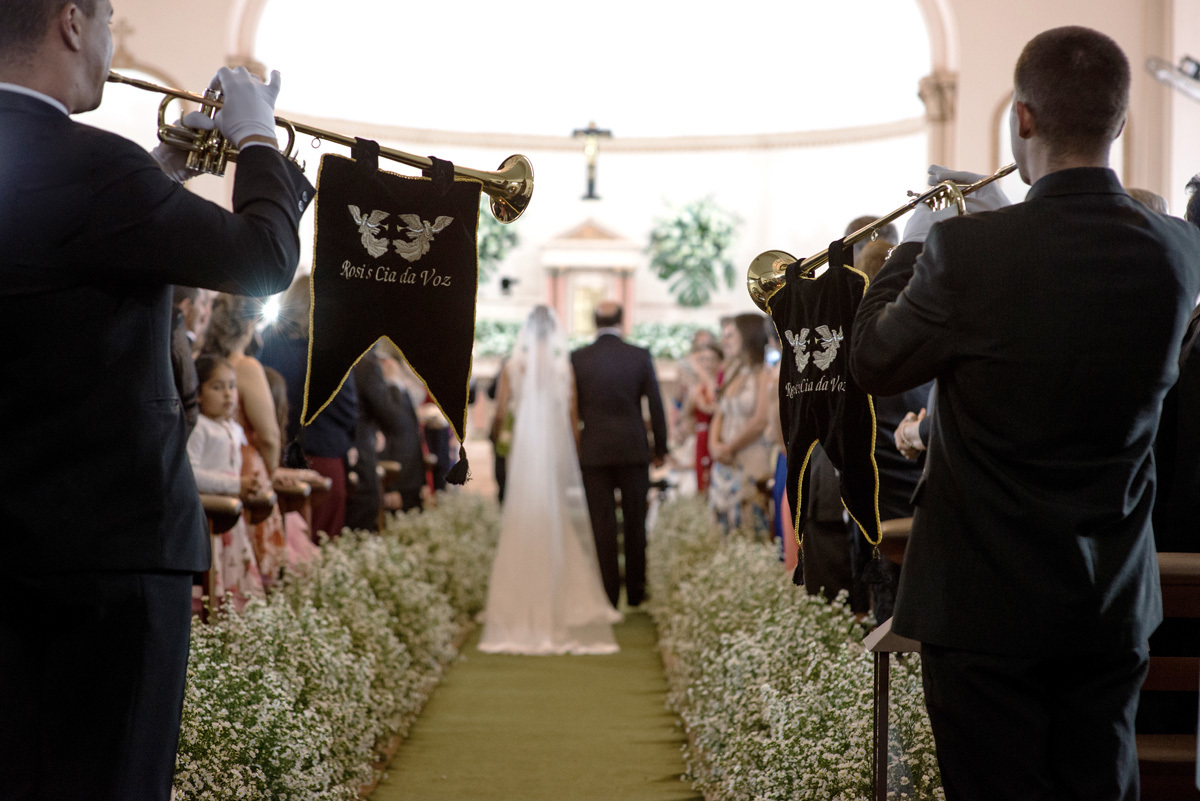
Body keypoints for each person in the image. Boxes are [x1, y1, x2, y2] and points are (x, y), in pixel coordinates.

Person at [851, 27, 1200, 801]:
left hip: (982, 611)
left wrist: (916, 237)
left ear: (1023, 118)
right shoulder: (1178, 250)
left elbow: (872, 360)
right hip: (1108, 604)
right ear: (1119, 120)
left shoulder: (965, 252)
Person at [0, 0, 313, 795]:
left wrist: (159, 174)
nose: (111, 42)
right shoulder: (101, 170)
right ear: (72, 22)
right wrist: (257, 140)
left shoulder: (96, 175)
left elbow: (55, 252)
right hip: (109, 548)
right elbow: (264, 259)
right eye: (108, 19)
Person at [479, 306, 621, 654]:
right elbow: (572, 414)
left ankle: (521, 598)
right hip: (553, 447)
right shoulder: (562, 365)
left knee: (521, 514)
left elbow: (501, 411)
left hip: (524, 448)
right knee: (554, 516)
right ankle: (560, 595)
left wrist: (497, 440)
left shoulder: (513, 365)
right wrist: (574, 449)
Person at [571, 301, 668, 609]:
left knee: (602, 524)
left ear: (594, 322)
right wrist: (660, 448)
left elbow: (572, 407)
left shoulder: (578, 358)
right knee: (636, 521)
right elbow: (655, 404)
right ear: (621, 321)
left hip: (594, 451)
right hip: (633, 449)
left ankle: (608, 594)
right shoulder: (639, 355)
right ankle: (636, 592)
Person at [259, 274, 359, 539]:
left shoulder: (268, 345)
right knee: (321, 544)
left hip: (278, 455)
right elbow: (348, 411)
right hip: (323, 454)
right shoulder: (331, 351)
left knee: (283, 542)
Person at [187, 356, 267, 609]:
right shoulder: (200, 427)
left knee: (234, 571)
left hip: (231, 515)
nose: (228, 394)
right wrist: (235, 486)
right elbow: (191, 474)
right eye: (217, 387)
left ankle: (233, 618)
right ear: (198, 394)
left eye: (232, 386)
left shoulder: (232, 427)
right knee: (214, 574)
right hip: (210, 515)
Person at [708, 313, 774, 535]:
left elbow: (761, 420)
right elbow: (719, 413)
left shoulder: (765, 373)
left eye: (732, 335)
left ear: (748, 336)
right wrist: (714, 446)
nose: (725, 340)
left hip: (750, 460)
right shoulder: (733, 373)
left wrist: (729, 447)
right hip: (725, 463)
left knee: (748, 529)